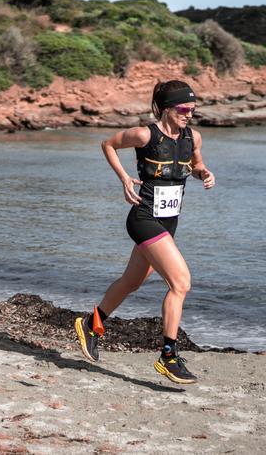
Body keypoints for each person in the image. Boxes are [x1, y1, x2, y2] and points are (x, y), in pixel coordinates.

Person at [73, 80, 215, 384]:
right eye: (183, 109)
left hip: (168, 222)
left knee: (132, 281)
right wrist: (124, 177)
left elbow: (197, 162)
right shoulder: (144, 134)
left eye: (193, 109)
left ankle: (90, 324)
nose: (189, 114)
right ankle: (168, 355)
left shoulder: (194, 137)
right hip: (143, 217)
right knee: (181, 283)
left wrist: (204, 172)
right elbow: (108, 144)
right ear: (166, 108)